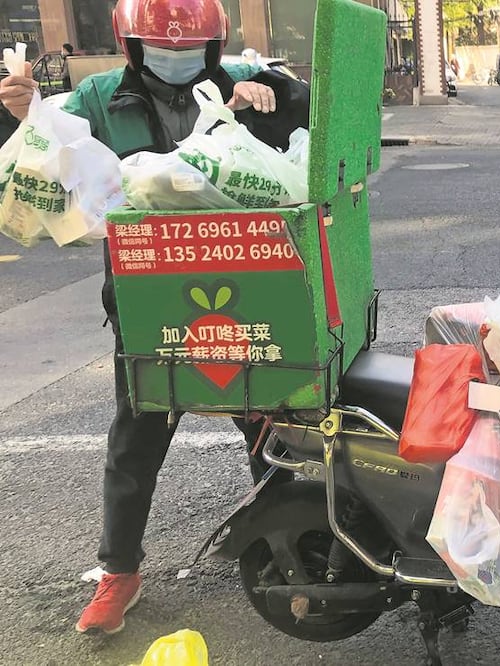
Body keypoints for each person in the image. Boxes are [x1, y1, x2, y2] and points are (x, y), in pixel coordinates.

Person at [0, 0, 308, 637]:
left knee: (263, 427)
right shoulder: (97, 97)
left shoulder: (238, 84)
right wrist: (23, 111)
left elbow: (305, 133)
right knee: (136, 439)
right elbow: (45, 158)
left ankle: (287, 553)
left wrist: (272, 94)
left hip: (240, 293)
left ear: (215, 49)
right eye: (160, 47)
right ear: (131, 46)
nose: (177, 59)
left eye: (193, 50)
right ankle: (119, 572)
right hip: (146, 299)